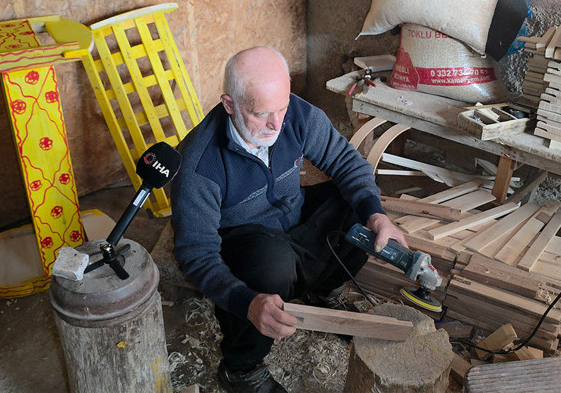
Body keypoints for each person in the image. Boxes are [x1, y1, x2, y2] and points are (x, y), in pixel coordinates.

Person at [171, 46, 407, 392]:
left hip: (293, 214)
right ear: (229, 104)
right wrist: (246, 302)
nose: (276, 124)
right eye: (261, 113)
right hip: (244, 239)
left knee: (355, 207)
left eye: (281, 108)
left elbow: (346, 162)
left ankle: (318, 292)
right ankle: (240, 368)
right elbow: (196, 253)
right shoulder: (198, 164)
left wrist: (377, 215)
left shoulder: (297, 114)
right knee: (271, 268)